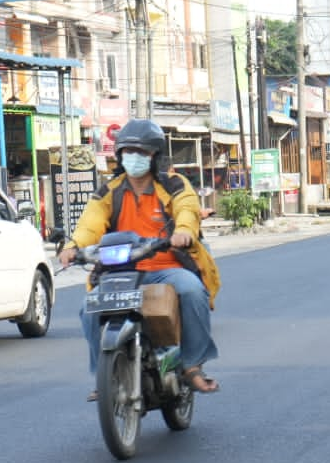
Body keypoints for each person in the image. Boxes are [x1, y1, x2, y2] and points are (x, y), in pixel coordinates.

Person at [57, 118, 221, 399]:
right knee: (88, 308)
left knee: (193, 291)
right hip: (120, 271)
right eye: (128, 152)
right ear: (119, 155)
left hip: (166, 267)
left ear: (155, 155)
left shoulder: (173, 183)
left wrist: (183, 232)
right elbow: (90, 224)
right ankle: (104, 376)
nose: (134, 158)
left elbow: (187, 210)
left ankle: (192, 366)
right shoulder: (109, 190)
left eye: (141, 152)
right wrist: (73, 246)